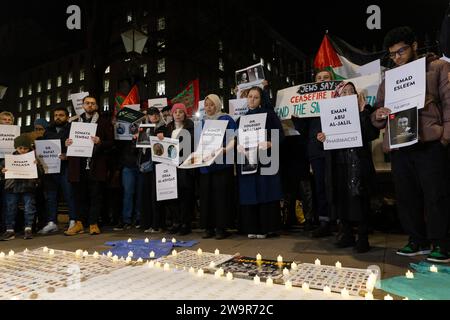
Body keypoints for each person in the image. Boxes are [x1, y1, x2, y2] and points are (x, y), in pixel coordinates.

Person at [371, 26, 450, 262]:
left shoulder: (438, 68)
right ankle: (417, 240)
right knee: (406, 196)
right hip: (400, 144)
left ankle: (442, 243)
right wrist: (379, 115)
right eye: (392, 54)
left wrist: (445, 136)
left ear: (414, 46)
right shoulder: (389, 79)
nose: (396, 58)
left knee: (435, 194)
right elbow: (377, 112)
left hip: (429, 142)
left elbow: (448, 103)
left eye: (401, 51)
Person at [317, 81, 379, 253]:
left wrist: (363, 112)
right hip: (338, 164)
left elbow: (371, 133)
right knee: (341, 199)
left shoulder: (365, 111)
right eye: (344, 92)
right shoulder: (330, 113)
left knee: (359, 200)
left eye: (351, 92)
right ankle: (347, 235)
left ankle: (363, 237)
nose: (348, 95)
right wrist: (323, 137)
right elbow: (327, 136)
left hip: (357, 163)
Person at [236, 86, 284, 239]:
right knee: (249, 193)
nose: (252, 99)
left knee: (265, 191)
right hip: (247, 161)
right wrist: (238, 146)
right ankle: (252, 227)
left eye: (256, 97)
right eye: (250, 96)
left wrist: (270, 143)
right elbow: (235, 139)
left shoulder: (269, 115)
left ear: (261, 99)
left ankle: (266, 228)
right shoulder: (240, 119)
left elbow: (280, 135)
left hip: (265, 160)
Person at [292, 70, 335, 237]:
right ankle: (324, 221)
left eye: (326, 78)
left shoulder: (337, 98)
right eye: (319, 78)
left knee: (335, 184)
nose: (322, 81)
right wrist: (297, 118)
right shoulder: (309, 106)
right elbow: (303, 131)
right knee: (321, 186)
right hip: (316, 151)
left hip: (336, 148)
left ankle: (339, 220)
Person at [64, 96, 114, 236]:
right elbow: (64, 139)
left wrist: (100, 141)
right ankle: (79, 224)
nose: (90, 105)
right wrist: (66, 142)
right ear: (83, 105)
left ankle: (93, 223)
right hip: (77, 165)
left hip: (96, 164)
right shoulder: (73, 122)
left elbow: (111, 143)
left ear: (97, 106)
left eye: (93, 103)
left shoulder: (104, 122)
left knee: (95, 195)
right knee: (79, 196)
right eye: (87, 103)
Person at [199, 94, 237, 240]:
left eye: (212, 104)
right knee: (206, 197)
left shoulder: (226, 119)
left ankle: (221, 228)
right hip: (206, 165)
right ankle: (208, 228)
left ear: (218, 105)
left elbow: (233, 138)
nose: (209, 108)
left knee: (221, 197)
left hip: (222, 164)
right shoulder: (202, 122)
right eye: (206, 105)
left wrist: (226, 149)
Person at [156, 103, 195, 235]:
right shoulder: (168, 129)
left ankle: (185, 223)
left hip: (184, 166)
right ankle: (176, 222)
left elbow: (192, 147)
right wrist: (161, 139)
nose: (178, 114)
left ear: (185, 114)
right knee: (172, 195)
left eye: (180, 112)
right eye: (175, 112)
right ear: (172, 114)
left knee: (185, 196)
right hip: (171, 167)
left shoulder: (190, 128)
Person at [38, 108, 77, 234]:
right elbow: (45, 145)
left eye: (61, 115)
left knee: (69, 194)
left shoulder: (72, 129)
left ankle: (73, 220)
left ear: (67, 116)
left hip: (65, 166)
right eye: (55, 115)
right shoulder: (48, 130)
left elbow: (76, 146)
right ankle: (52, 222)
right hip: (51, 167)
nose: (58, 117)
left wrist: (67, 154)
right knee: (51, 196)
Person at [0, 135, 41, 240]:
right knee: (10, 208)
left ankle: (28, 229)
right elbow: (1, 171)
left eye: (25, 148)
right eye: (20, 148)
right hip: (12, 187)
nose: (23, 150)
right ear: (16, 147)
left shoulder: (33, 159)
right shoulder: (9, 159)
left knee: (29, 208)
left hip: (28, 187)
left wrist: (36, 166)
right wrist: (2, 171)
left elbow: (41, 174)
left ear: (29, 148)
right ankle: (9, 230)